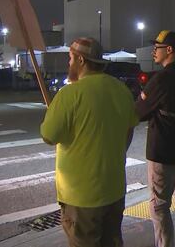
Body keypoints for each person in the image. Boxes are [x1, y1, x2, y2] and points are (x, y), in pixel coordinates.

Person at [40, 37, 138, 247]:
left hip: (82, 196)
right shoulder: (122, 90)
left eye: (70, 59)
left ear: (81, 60)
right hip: (114, 189)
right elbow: (128, 130)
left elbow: (49, 136)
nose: (69, 64)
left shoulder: (69, 94)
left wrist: (53, 115)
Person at [135, 30, 175, 247]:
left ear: (169, 50)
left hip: (163, 151)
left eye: (158, 47)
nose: (154, 51)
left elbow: (139, 112)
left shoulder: (161, 79)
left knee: (159, 205)